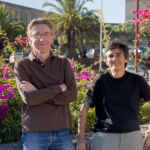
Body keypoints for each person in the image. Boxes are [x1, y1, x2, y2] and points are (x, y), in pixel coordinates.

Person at [14, 18, 77, 150]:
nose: (42, 39)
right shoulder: (22, 65)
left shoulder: (64, 63)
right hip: (33, 132)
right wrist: (59, 88)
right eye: (36, 35)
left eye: (46, 34)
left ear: (52, 37)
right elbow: (29, 98)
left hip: (62, 131)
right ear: (29, 39)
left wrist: (39, 93)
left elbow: (72, 95)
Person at [76, 40, 150, 150]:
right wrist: (80, 138)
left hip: (132, 138)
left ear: (126, 59)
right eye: (110, 56)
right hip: (104, 139)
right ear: (106, 60)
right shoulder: (100, 82)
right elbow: (84, 108)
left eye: (118, 55)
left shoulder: (137, 81)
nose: (114, 59)